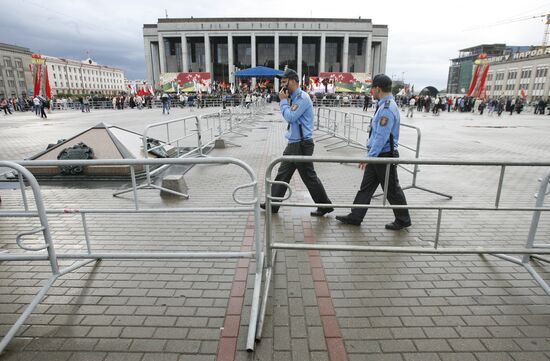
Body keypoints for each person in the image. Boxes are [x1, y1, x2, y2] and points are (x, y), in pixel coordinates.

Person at [336, 74, 411, 230]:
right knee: (366, 187)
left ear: (378, 88)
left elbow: (381, 136)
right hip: (378, 155)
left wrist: (370, 157)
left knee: (392, 190)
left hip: (384, 156)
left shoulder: (386, 108)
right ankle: (356, 216)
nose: (371, 92)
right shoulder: (384, 105)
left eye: (372, 88)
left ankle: (403, 220)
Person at [260, 68, 333, 216]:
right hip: (294, 143)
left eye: (285, 82)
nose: (282, 85)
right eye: (281, 82)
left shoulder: (302, 98)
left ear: (293, 81)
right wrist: (285, 101)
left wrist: (282, 102)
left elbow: (291, 117)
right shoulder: (294, 97)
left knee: (309, 177)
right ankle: (273, 204)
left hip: (301, 144)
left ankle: (325, 205)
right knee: (282, 174)